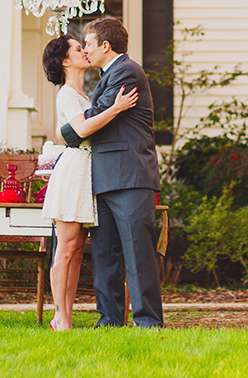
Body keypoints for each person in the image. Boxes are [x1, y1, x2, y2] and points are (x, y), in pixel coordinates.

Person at [59, 17, 163, 329]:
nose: (86, 49)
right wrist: (79, 124)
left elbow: (92, 117)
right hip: (103, 177)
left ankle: (148, 323)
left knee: (137, 253)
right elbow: (95, 115)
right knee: (105, 256)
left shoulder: (126, 71)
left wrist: (68, 130)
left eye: (88, 43)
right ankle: (109, 320)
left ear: (106, 45)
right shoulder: (108, 76)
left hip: (130, 176)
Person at [41, 34, 139, 331]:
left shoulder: (85, 96)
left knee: (78, 251)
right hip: (74, 173)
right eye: (78, 49)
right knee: (66, 249)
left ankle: (64, 317)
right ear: (65, 61)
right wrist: (116, 108)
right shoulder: (67, 94)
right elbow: (81, 128)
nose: (85, 52)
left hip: (91, 172)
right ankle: (62, 317)